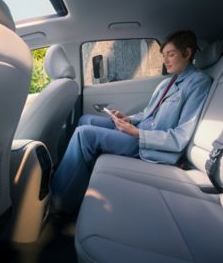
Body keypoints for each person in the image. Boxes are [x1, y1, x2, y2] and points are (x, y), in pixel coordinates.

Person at [51, 30, 212, 213]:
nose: (165, 60)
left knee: (84, 135)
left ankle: (57, 204)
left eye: (171, 54)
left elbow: (180, 137)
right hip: (139, 132)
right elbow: (148, 113)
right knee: (85, 119)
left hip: (151, 147)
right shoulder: (167, 83)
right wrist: (129, 119)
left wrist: (136, 133)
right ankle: (76, 182)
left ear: (187, 53)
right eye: (163, 55)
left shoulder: (198, 83)